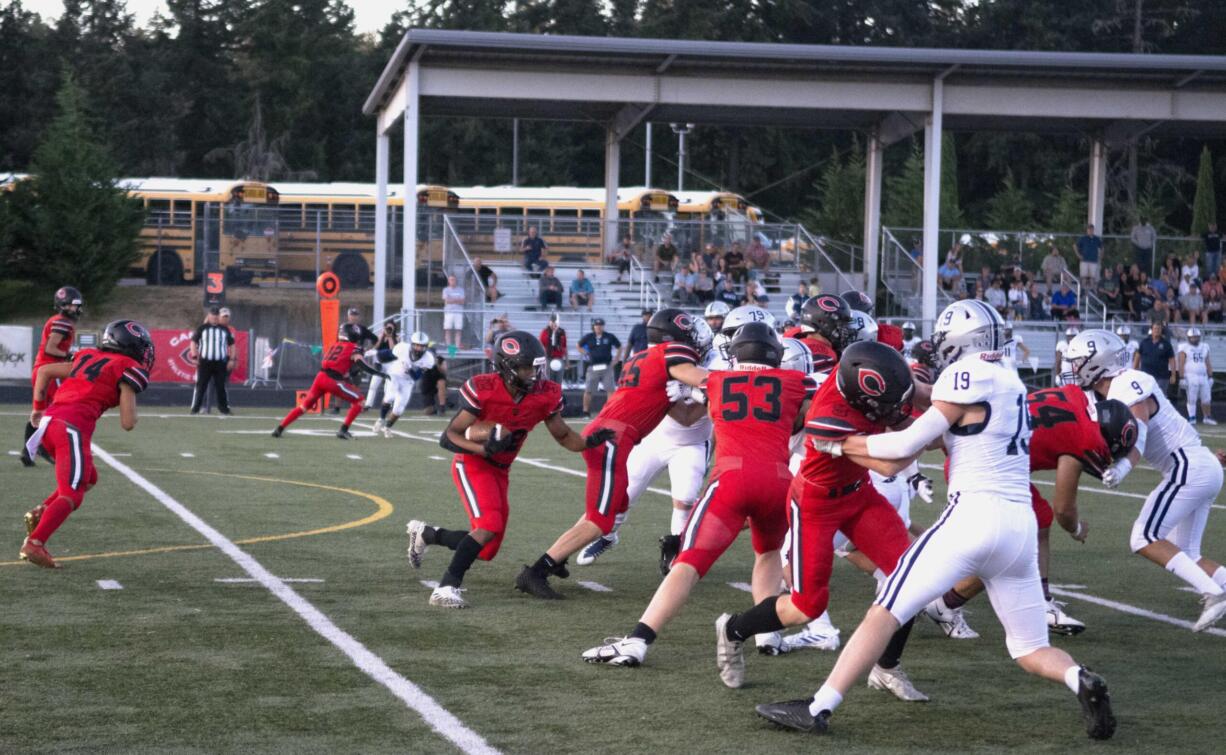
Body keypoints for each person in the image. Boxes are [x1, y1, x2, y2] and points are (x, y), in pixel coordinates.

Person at [758, 301, 1117, 740]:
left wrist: (835, 446)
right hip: (1019, 528)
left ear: (958, 344)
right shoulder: (1011, 381)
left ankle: (819, 706)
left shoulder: (964, 374)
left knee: (884, 610)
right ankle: (1079, 678)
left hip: (972, 517)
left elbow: (904, 445)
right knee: (1029, 647)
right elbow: (944, 417)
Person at [581, 324, 815, 667]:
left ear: (736, 355)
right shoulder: (797, 382)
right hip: (779, 480)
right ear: (776, 356)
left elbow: (682, 380)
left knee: (688, 562)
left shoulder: (715, 380)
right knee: (768, 553)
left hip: (732, 479)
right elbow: (816, 406)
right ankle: (767, 633)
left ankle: (638, 640)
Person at [715, 341, 928, 698]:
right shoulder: (828, 418)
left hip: (859, 494)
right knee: (806, 605)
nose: (894, 410)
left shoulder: (858, 384)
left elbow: (920, 404)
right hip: (815, 504)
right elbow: (892, 462)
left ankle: (886, 667)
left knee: (914, 577)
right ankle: (733, 629)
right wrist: (939, 427)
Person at [406, 333, 612, 608]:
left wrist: (588, 442)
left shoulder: (544, 394)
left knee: (488, 548)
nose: (534, 373)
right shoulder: (484, 388)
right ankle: (446, 588)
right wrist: (484, 448)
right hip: (473, 463)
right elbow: (449, 436)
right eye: (527, 367)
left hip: (502, 470)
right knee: (489, 524)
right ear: (507, 366)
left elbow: (563, 435)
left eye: (536, 367)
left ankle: (428, 534)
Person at [516, 310, 711, 600]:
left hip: (613, 437)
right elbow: (710, 381)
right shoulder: (673, 352)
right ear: (675, 336)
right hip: (612, 440)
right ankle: (537, 571)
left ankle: (558, 558)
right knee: (599, 521)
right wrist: (701, 389)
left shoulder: (640, 358)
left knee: (617, 506)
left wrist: (695, 394)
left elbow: (682, 411)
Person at [923, 388, 1140, 638]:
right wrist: (1077, 529)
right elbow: (1064, 509)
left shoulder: (1073, 395)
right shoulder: (1085, 437)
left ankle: (947, 601)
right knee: (1010, 544)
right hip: (979, 470)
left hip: (976, 451)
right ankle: (938, 600)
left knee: (1035, 523)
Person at [1064, 329, 1226, 631]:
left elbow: (1138, 429)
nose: (1073, 369)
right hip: (1199, 466)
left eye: (1078, 362)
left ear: (1096, 362)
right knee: (1189, 554)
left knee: (1143, 537)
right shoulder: (1107, 391)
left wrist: (1125, 467)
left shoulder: (1127, 382)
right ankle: (1220, 587)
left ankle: (1214, 593)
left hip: (1188, 466)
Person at [20, 320, 153, 568]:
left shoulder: (87, 356)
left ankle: (40, 513)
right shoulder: (127, 367)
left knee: (89, 478)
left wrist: (38, 409)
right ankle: (35, 543)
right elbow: (127, 423)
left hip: (49, 425)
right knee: (73, 494)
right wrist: (131, 402)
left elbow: (44, 371)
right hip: (70, 427)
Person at [272, 323, 388, 440]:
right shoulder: (353, 348)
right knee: (360, 401)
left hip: (320, 377)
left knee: (304, 406)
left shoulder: (335, 345)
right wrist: (379, 373)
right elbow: (361, 364)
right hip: (333, 380)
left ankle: (279, 428)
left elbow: (344, 363)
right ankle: (343, 430)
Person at [21, 286, 83, 467]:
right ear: (63, 305)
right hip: (49, 371)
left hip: (44, 370)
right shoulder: (62, 322)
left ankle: (28, 451)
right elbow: (51, 348)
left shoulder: (60, 320)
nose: (76, 309)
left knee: (42, 411)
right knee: (55, 410)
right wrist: (70, 356)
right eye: (73, 305)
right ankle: (43, 447)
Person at [371, 331, 435, 436]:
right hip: (395, 374)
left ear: (426, 347)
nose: (419, 349)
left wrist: (409, 369)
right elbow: (387, 354)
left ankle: (387, 427)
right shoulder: (402, 348)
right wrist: (377, 356)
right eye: (417, 345)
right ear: (412, 344)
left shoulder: (428, 359)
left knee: (399, 408)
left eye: (421, 346)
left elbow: (416, 377)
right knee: (390, 397)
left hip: (408, 381)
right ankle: (381, 419)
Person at [190, 306, 235, 416]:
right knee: (201, 386)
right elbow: (193, 342)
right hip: (205, 362)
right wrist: (195, 357)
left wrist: (232, 359)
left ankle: (223, 409)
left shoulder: (224, 329)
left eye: (216, 317)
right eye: (212, 317)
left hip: (220, 362)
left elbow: (232, 345)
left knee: (221, 386)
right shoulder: (202, 328)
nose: (214, 319)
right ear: (209, 316)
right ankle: (196, 408)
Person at [578, 319, 621, 417]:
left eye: (600, 325)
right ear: (594, 326)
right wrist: (586, 353)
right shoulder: (589, 337)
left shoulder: (609, 336)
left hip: (607, 366)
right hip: (593, 367)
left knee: (610, 389)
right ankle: (586, 412)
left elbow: (619, 346)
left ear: (603, 326)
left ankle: (609, 411)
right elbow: (578, 345)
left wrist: (617, 359)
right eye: (597, 325)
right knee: (588, 390)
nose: (598, 327)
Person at [1177, 328, 1215, 424]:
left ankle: (1207, 417)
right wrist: (1181, 377)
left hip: (1203, 376)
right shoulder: (1184, 347)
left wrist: (1210, 376)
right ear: (1188, 338)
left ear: (1199, 337)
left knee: (1206, 398)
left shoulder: (1204, 346)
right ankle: (1192, 417)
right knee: (1192, 398)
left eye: (1196, 337)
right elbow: (1181, 363)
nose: (1194, 339)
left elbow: (1207, 362)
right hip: (1190, 376)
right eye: (1192, 337)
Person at [364, 321, 400, 411]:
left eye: (391, 328)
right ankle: (368, 404)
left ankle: (388, 404)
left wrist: (390, 337)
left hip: (391, 363)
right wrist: (382, 336)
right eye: (387, 328)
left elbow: (393, 350)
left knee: (388, 386)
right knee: (373, 384)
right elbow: (375, 348)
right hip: (380, 363)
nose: (389, 329)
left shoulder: (397, 337)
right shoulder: (380, 336)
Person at [1137, 322, 1175, 394]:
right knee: (1146, 396)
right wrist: (1135, 370)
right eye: (1155, 328)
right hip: (1146, 376)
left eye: (1159, 329)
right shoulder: (1144, 342)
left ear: (1161, 330)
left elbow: (1172, 360)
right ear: (1151, 330)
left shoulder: (1167, 344)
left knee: (1160, 396)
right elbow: (1137, 357)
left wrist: (1173, 375)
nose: (1157, 330)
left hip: (1161, 377)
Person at [540, 314, 567, 383]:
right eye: (552, 322)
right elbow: (542, 344)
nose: (553, 324)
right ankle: (549, 393)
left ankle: (558, 393)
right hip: (549, 358)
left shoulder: (562, 332)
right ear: (549, 322)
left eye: (555, 322)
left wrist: (567, 360)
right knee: (549, 379)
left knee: (558, 379)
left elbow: (564, 346)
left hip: (559, 358)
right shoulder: (545, 332)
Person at [1076, 224, 1104, 290]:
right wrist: (1078, 255)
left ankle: (1092, 291)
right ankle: (1082, 290)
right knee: (1083, 276)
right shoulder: (1083, 238)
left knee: (1092, 277)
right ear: (1087, 230)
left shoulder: (1097, 239)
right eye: (1089, 229)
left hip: (1094, 260)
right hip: (1084, 260)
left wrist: (1101, 256)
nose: (1090, 231)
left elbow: (1102, 247)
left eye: (1091, 229)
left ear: (1093, 230)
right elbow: (1075, 246)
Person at [442, 274, 466, 348]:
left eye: (453, 280)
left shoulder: (461, 290)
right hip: (449, 312)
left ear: (456, 281)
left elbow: (462, 301)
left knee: (458, 330)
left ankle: (457, 346)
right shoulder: (445, 290)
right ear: (448, 281)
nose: (452, 281)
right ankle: (449, 347)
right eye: (451, 280)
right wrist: (457, 300)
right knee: (447, 329)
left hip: (458, 312)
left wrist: (451, 299)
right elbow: (447, 301)